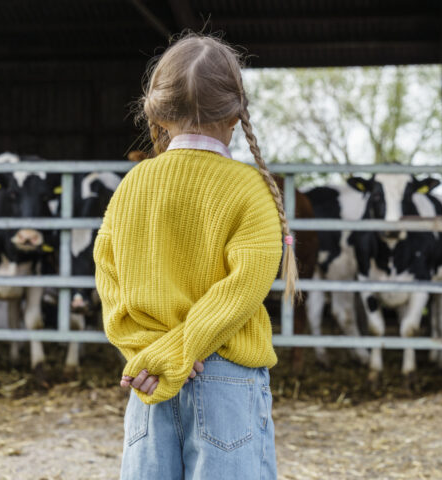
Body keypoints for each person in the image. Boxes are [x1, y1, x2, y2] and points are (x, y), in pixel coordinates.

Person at [94, 33, 299, 480]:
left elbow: (108, 278)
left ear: (158, 111)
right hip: (225, 375)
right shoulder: (250, 190)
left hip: (147, 376)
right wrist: (181, 352)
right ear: (235, 112)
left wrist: (149, 352)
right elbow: (242, 288)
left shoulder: (132, 186)